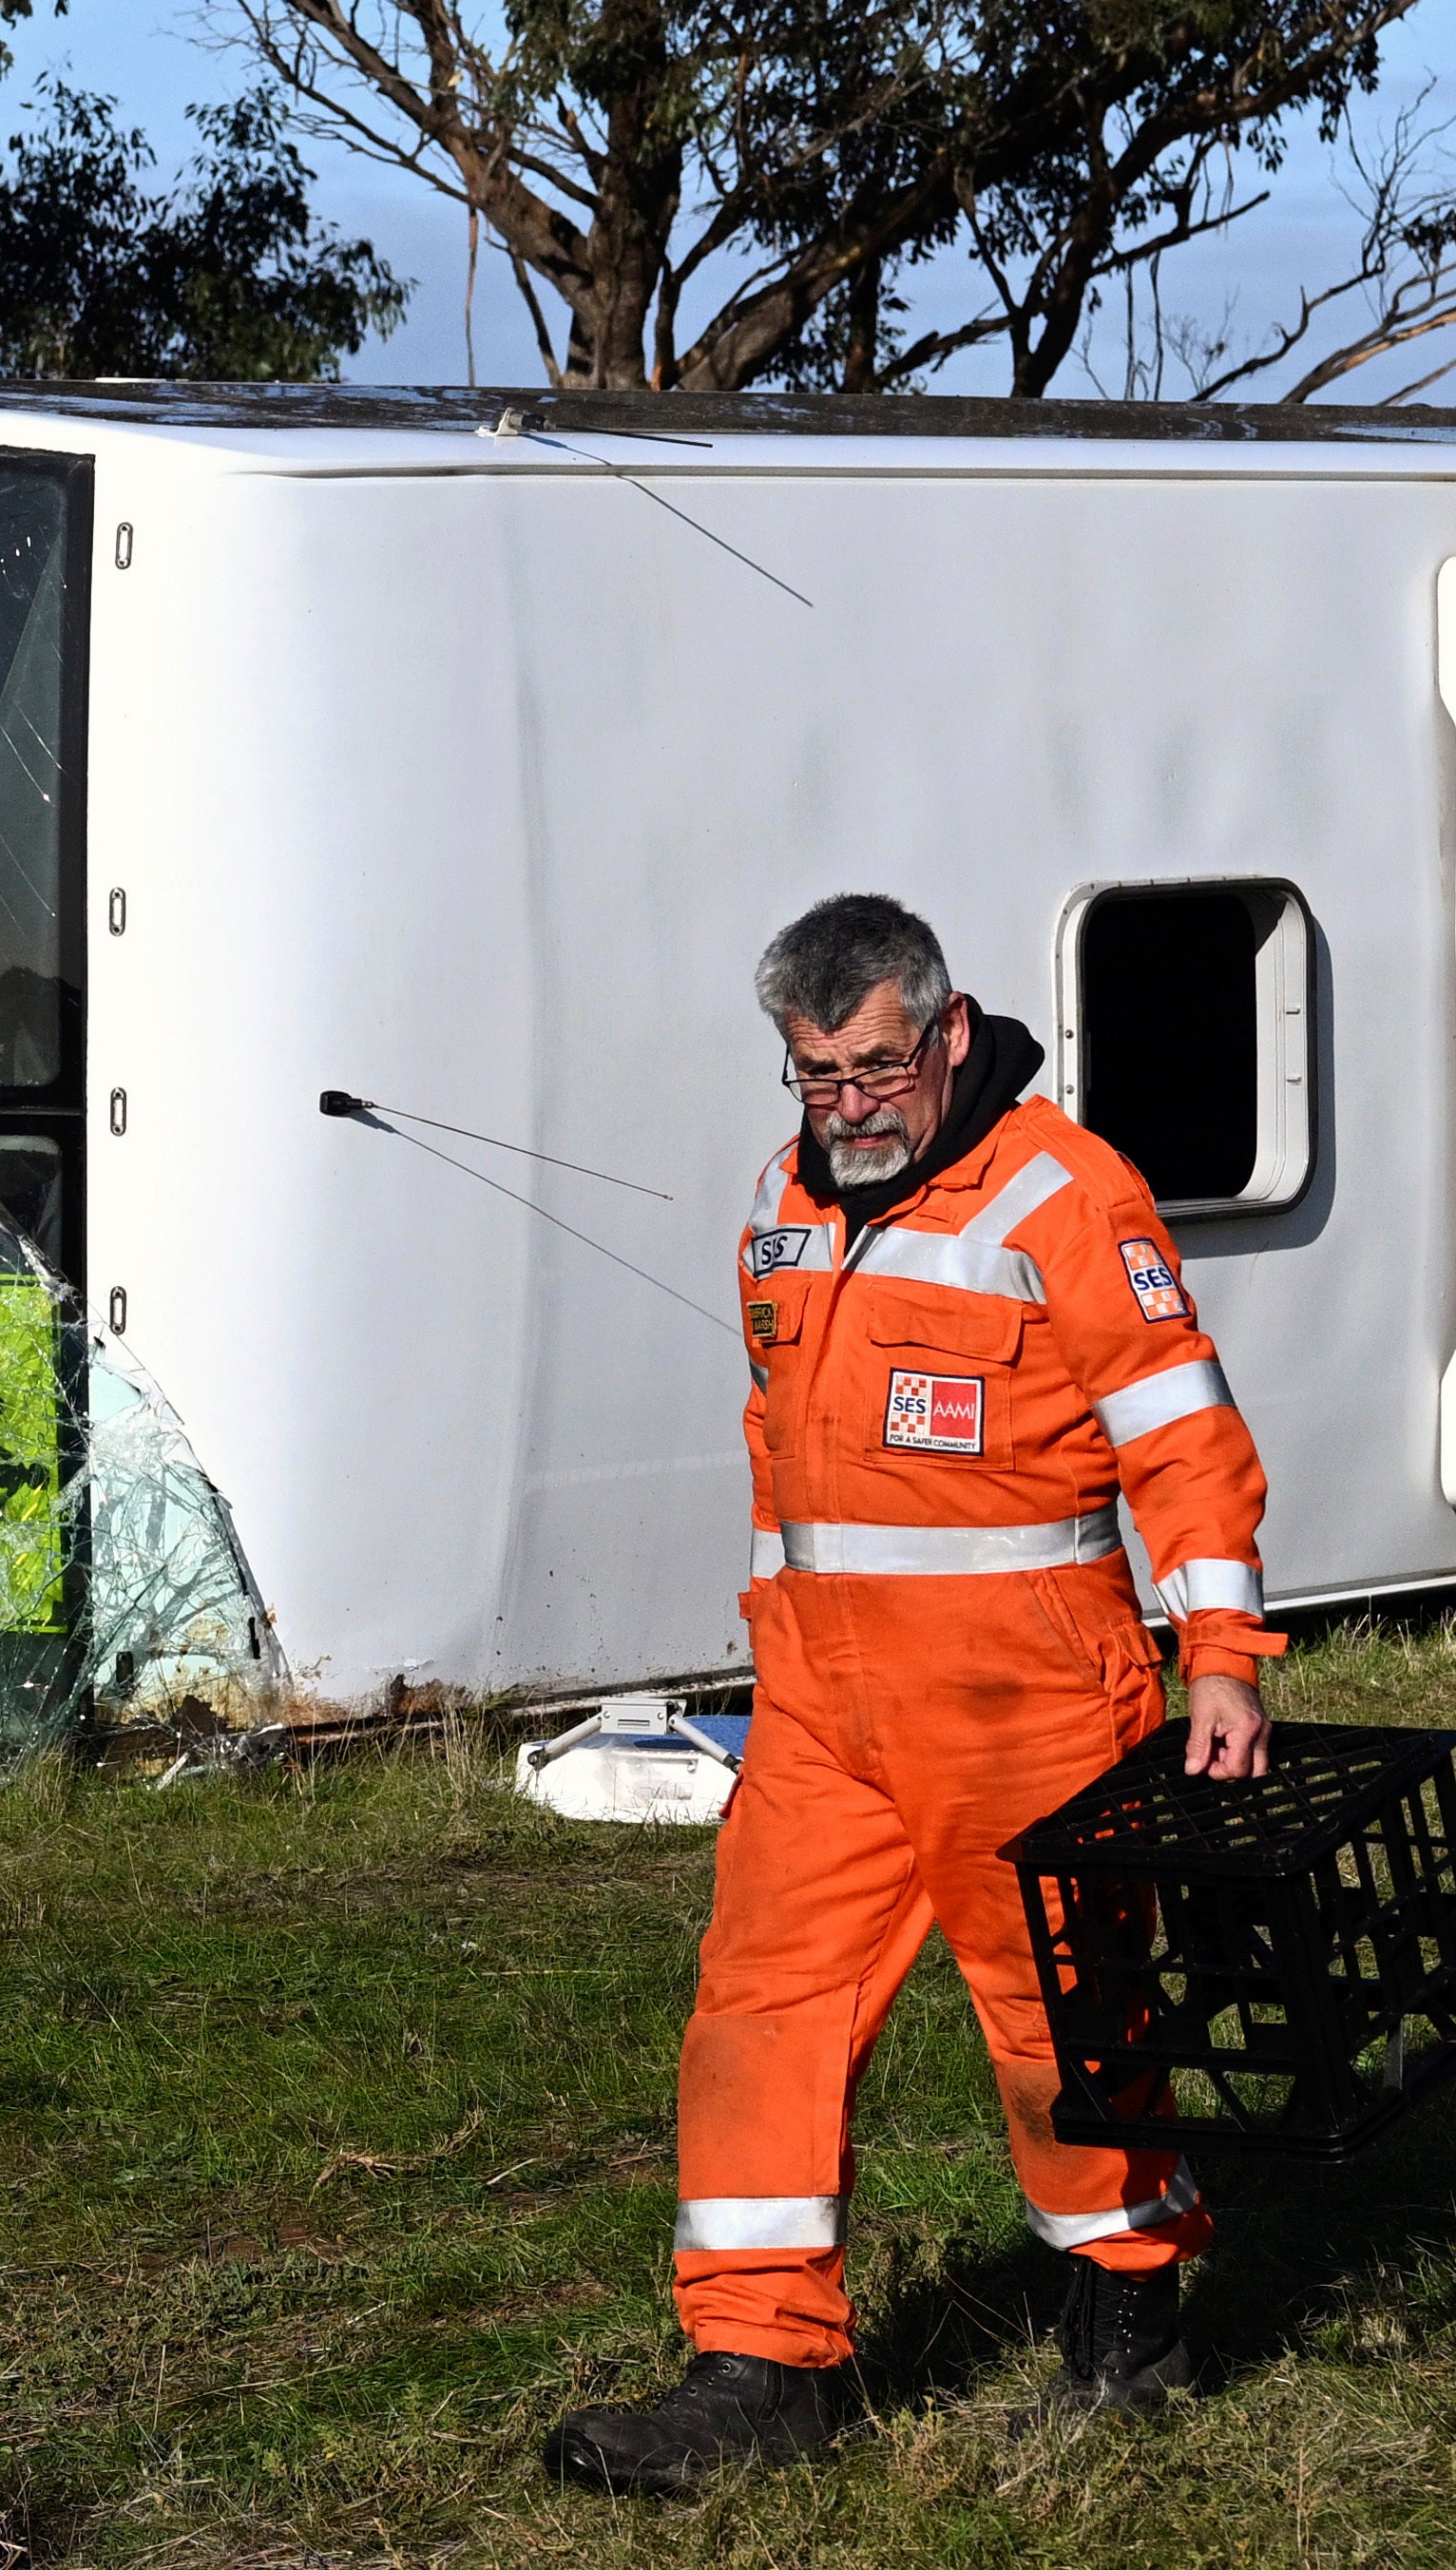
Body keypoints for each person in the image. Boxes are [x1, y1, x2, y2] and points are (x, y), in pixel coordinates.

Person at [542, 892, 1283, 2497]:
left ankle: (1127, 2325)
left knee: (1062, 2026)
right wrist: (775, 1648)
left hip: (1030, 1701)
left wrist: (1221, 1654)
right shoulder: (782, 1201)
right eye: (815, 1077)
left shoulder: (1067, 1198)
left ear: (947, 1031)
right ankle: (759, 2369)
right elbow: (784, 1456)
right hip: (821, 1703)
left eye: (875, 1068)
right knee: (760, 2009)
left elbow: (1182, 1440)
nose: (848, 1107)